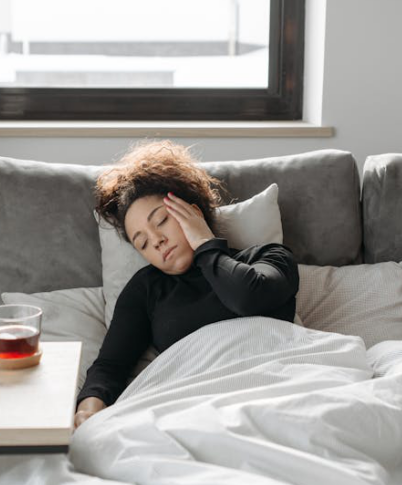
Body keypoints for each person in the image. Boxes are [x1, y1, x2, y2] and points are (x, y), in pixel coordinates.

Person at [74, 141, 299, 429]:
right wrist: (88, 410)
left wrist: (205, 245)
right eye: (142, 243)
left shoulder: (268, 257)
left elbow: (249, 298)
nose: (156, 240)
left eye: (162, 221)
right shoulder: (146, 289)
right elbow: (111, 366)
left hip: (281, 390)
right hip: (194, 409)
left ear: (193, 211)